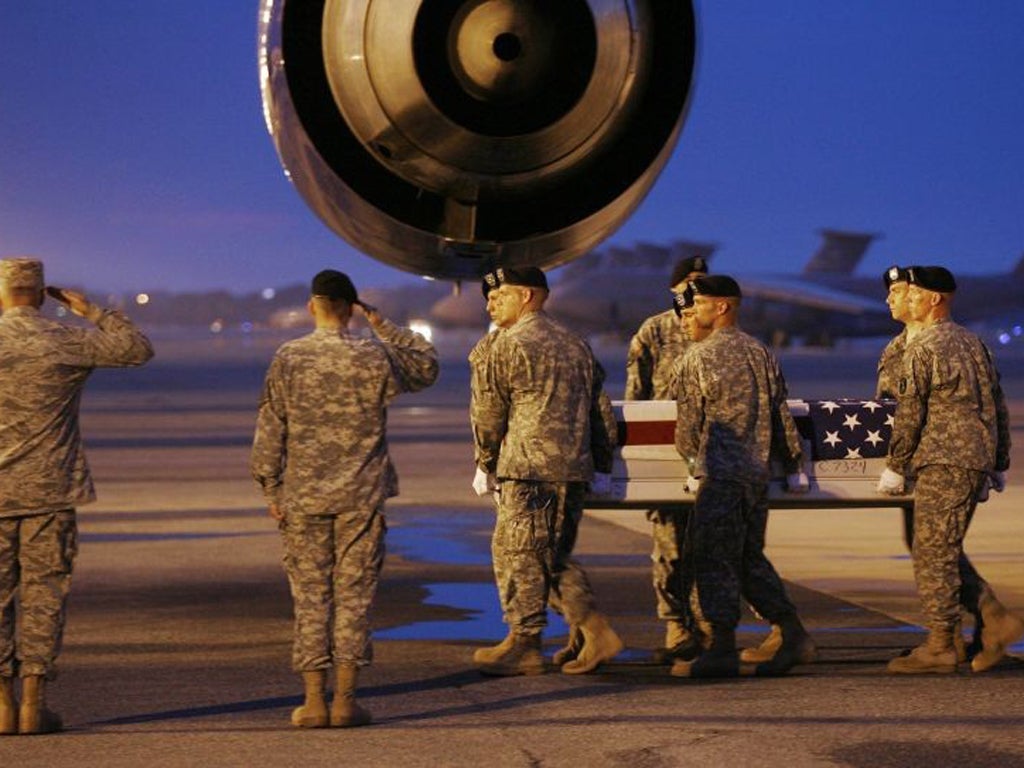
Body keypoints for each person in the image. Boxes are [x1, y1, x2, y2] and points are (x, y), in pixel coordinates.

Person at [251, 269, 438, 727]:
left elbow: (270, 429)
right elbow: (427, 364)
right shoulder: (376, 356)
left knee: (311, 597)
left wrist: (271, 488)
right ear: (352, 309)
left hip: (303, 495)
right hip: (362, 494)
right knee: (354, 597)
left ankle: (314, 700)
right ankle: (346, 701)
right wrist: (383, 325)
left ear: (312, 306)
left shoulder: (289, 356)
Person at [0, 257, 153, 735]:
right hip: (50, 488)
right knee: (45, 595)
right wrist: (93, 312)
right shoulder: (63, 340)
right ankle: (34, 704)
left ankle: (1, 705)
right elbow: (136, 349)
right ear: (44, 293)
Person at [470, 266, 623, 676]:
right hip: (572, 469)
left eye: (499, 295)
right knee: (551, 556)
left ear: (526, 297)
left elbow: (488, 414)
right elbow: (600, 411)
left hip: (529, 468)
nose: (490, 302)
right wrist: (602, 463)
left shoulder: (507, 345)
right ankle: (583, 634)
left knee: (518, 554)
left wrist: (486, 463)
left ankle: (528, 642)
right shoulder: (576, 345)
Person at [877, 265, 1019, 674]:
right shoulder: (973, 343)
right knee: (936, 544)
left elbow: (908, 413)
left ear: (934, 299)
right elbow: (998, 403)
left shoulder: (926, 347)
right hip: (963, 458)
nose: (897, 299)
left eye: (910, 292)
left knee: (933, 551)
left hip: (942, 457)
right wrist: (999, 460)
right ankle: (994, 621)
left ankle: (942, 643)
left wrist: (896, 464)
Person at [671, 276, 813, 678]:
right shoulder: (761, 352)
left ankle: (720, 646)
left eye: (699, 303)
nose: (692, 310)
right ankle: (792, 632)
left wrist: (693, 465)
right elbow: (780, 413)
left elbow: (689, 428)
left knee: (711, 557)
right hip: (757, 475)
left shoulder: (697, 358)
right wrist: (792, 465)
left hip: (721, 473)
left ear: (722, 307)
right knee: (748, 558)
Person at [624, 255, 709, 662]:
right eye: (688, 283)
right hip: (666, 454)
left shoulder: (720, 329)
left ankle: (709, 627)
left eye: (702, 282)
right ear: (673, 289)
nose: (694, 289)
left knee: (713, 546)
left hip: (714, 453)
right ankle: (677, 626)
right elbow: (635, 397)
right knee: (670, 547)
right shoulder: (654, 330)